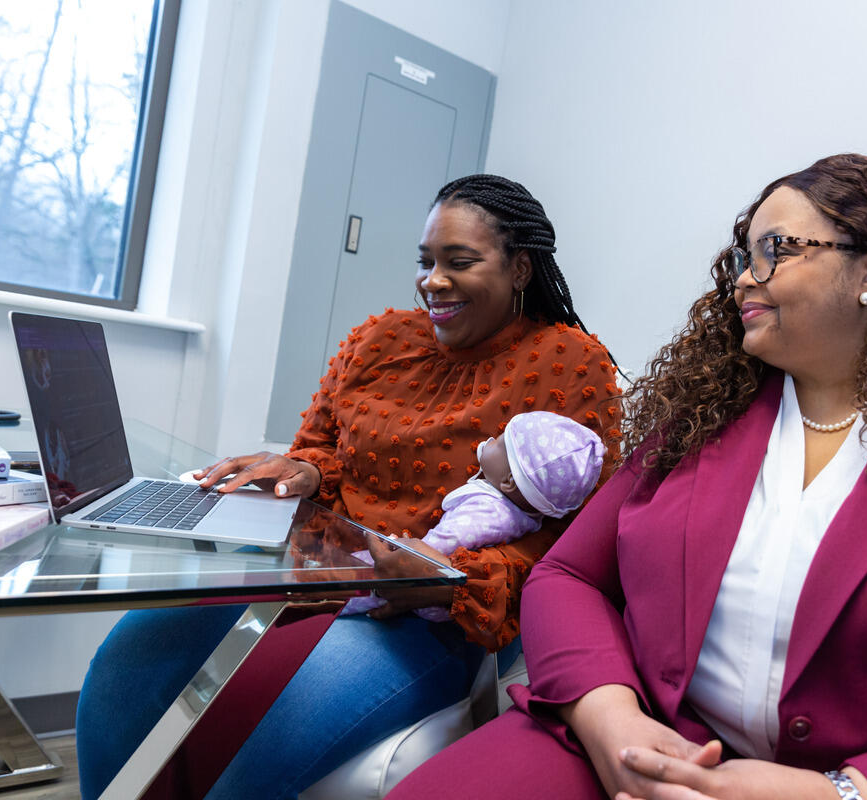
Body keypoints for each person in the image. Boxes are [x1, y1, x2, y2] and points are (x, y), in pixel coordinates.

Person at [388, 154, 867, 800]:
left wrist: (844, 794)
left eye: (775, 252)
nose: (742, 280)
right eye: (740, 256)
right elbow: (568, 577)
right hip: (648, 753)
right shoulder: (700, 417)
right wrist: (607, 717)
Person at [73, 174, 623, 799]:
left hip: (420, 614)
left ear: (521, 268)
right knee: (125, 669)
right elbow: (323, 449)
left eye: (459, 262)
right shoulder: (380, 340)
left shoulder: (570, 364)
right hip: (307, 575)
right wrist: (303, 470)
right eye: (426, 261)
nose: (433, 281)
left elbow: (570, 544)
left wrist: (445, 576)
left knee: (263, 747)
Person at [344, 409, 605, 620]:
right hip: (432, 588)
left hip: (416, 588)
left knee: (347, 583)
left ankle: (335, 601)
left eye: (501, 441)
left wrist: (396, 553)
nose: (491, 439)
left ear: (509, 481)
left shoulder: (488, 511)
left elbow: (436, 548)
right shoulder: (521, 514)